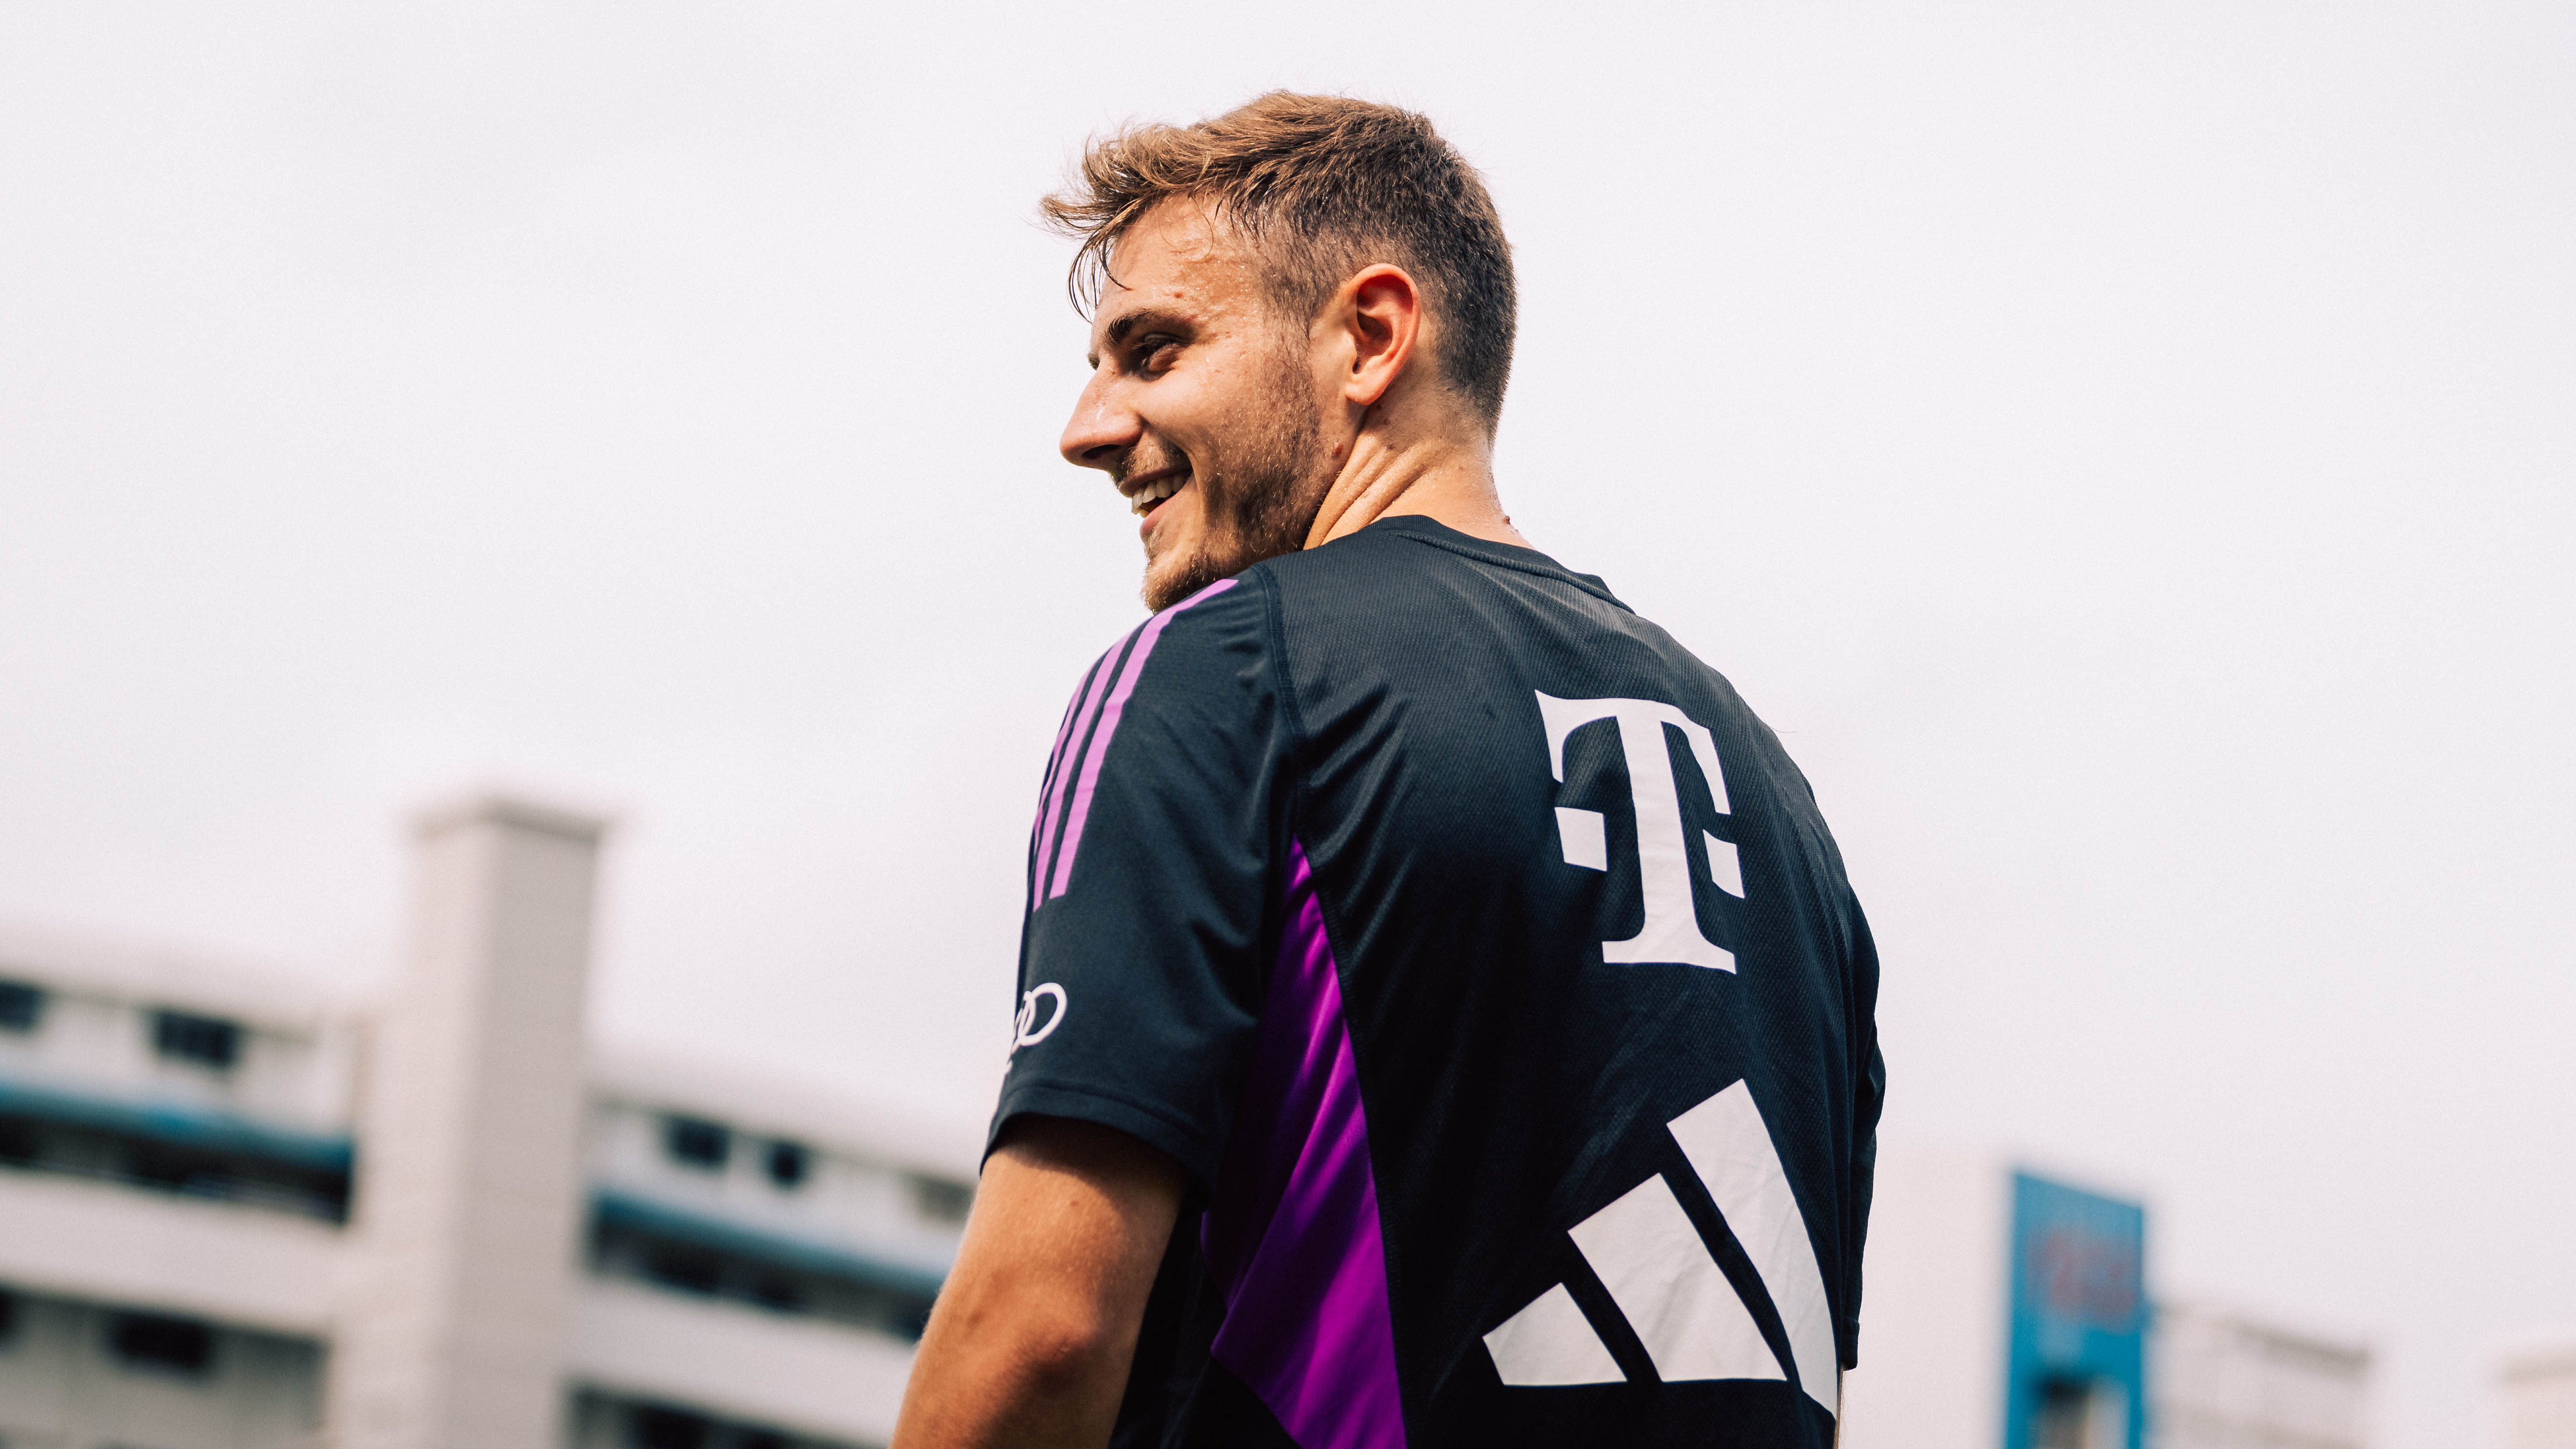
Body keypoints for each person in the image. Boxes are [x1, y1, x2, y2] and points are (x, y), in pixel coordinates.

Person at [892, 92, 1883, 1449]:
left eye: (1153, 349)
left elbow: (1040, 1333)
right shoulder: (1782, 809)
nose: (1088, 424)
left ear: (1368, 337)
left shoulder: (1225, 673)